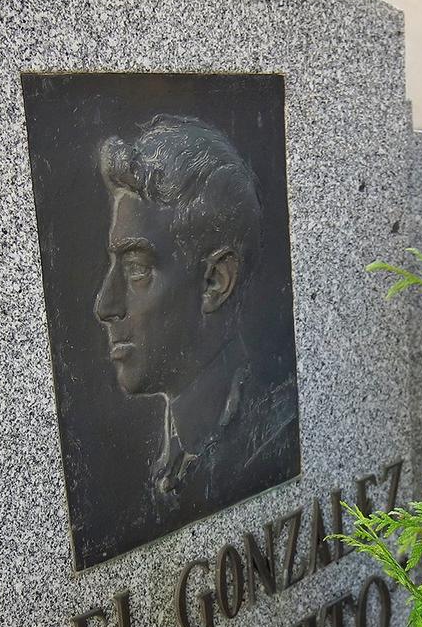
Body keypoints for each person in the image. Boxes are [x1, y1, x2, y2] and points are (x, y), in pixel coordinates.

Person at [93, 114, 298, 523]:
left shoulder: (276, 428)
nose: (104, 305)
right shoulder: (179, 445)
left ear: (214, 281)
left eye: (136, 269)